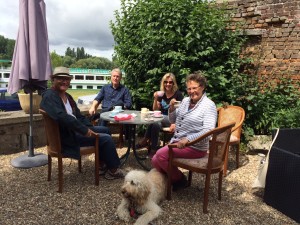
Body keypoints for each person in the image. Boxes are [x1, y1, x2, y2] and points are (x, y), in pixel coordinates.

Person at [40, 67, 125, 180]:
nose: (65, 81)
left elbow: (78, 116)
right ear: (53, 80)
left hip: (73, 131)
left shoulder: (67, 96)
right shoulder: (49, 96)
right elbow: (62, 117)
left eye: (67, 79)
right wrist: (85, 131)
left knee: (105, 130)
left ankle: (101, 164)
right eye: (61, 79)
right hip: (66, 137)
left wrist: (89, 128)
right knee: (106, 139)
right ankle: (113, 170)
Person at [151, 72, 217, 190]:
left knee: (160, 155)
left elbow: (209, 130)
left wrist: (188, 139)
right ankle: (171, 178)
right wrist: (171, 109)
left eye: (194, 88)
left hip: (195, 147)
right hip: (178, 142)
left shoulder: (209, 105)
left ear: (202, 87)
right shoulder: (185, 101)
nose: (191, 91)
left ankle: (180, 179)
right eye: (189, 88)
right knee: (155, 160)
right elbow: (173, 121)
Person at [136, 73, 183, 155]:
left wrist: (175, 123)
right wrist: (156, 98)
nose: (168, 84)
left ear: (173, 83)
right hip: (161, 118)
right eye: (166, 82)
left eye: (170, 82)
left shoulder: (178, 94)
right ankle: (153, 147)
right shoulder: (162, 94)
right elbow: (155, 109)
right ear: (163, 83)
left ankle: (145, 141)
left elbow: (182, 111)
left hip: (172, 120)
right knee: (155, 124)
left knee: (155, 121)